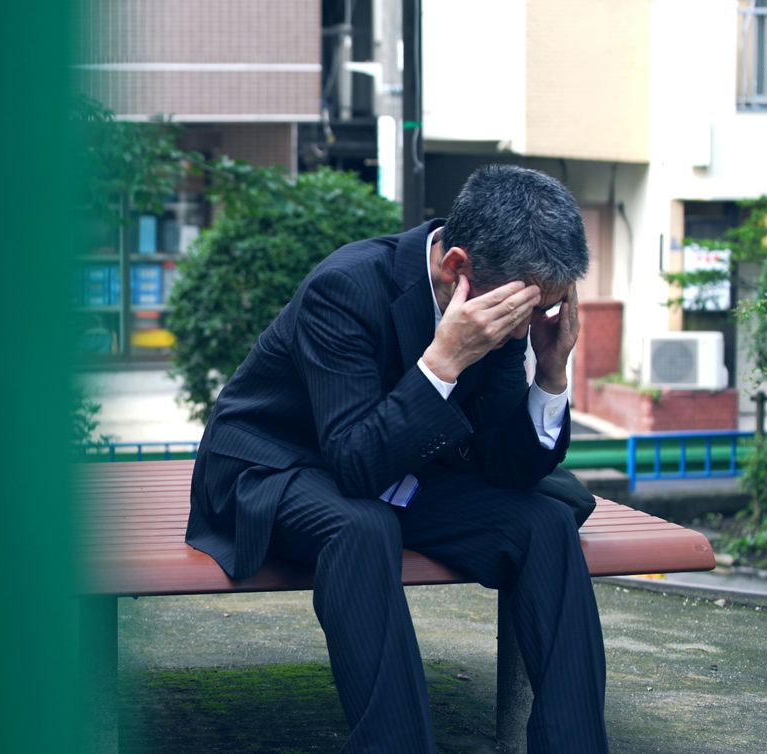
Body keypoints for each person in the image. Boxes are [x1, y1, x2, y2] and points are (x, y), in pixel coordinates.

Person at [185, 164, 608, 753]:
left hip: (395, 468)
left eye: (546, 309)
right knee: (361, 525)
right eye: (524, 310)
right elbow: (354, 465)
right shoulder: (346, 286)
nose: (525, 330)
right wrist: (444, 361)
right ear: (456, 267)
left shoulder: (503, 310)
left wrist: (552, 373)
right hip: (275, 465)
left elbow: (505, 467)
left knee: (545, 523)